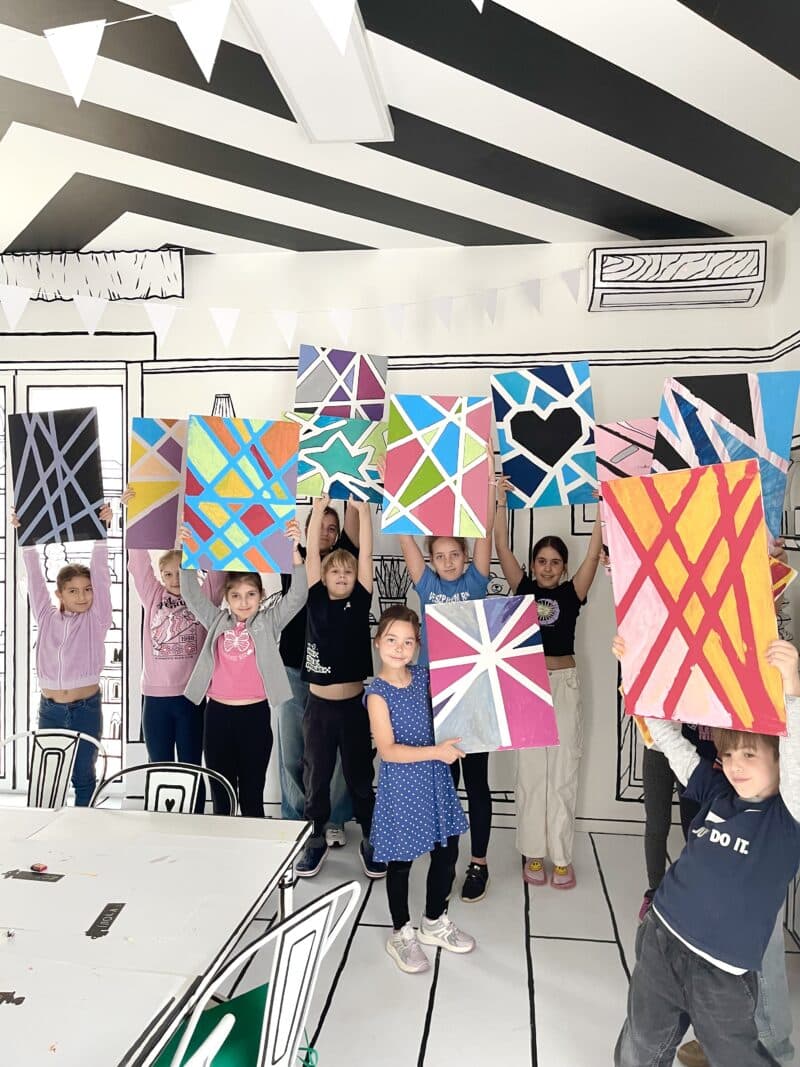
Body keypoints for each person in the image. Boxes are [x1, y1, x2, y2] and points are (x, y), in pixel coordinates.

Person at [612, 635, 800, 1067]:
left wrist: (791, 685)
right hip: (662, 939)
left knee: (736, 1056)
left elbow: (795, 752)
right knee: (639, 1048)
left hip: (722, 972)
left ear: (780, 759)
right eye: (729, 754)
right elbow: (666, 738)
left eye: (749, 754)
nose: (735, 765)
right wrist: (635, 669)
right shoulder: (717, 791)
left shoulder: (786, 819)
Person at [494, 475, 602, 889]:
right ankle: (533, 853)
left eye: (555, 562)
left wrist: (603, 509)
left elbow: (593, 556)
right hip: (528, 687)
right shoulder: (522, 588)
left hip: (564, 685)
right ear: (533, 565)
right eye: (542, 561)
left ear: (563, 568)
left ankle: (561, 856)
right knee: (531, 773)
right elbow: (501, 546)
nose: (548, 567)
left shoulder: (573, 593)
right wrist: (500, 500)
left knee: (563, 772)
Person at [398, 454, 494, 903]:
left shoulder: (475, 582)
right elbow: (405, 537)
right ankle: (445, 855)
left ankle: (479, 863)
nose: (449, 561)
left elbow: (484, 532)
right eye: (440, 556)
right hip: (436, 697)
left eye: (455, 554)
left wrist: (487, 483)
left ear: (465, 557)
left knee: (477, 782)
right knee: (443, 781)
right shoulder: (428, 586)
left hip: (475, 696)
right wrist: (396, 492)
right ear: (432, 561)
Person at [366, 605, 475, 973]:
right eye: (392, 640)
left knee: (447, 851)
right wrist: (436, 753)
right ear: (378, 642)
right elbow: (388, 750)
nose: (399, 648)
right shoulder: (378, 694)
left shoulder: (424, 677)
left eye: (408, 642)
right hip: (403, 787)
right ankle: (401, 933)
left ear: (417, 646)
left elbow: (460, 689)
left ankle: (433, 921)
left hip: (435, 781)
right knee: (401, 863)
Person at [179, 521, 307, 816]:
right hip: (217, 717)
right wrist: (187, 552)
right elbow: (191, 594)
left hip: (254, 717)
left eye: (250, 594)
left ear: (261, 595)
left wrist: (295, 555)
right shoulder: (216, 621)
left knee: (252, 798)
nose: (243, 602)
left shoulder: (269, 622)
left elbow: (298, 596)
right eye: (236, 595)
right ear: (227, 598)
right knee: (222, 798)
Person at [295, 495, 384, 879]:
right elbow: (312, 560)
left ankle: (370, 837)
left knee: (360, 776)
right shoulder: (314, 596)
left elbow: (366, 557)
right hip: (319, 708)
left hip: (353, 708)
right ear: (324, 576)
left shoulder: (360, 601)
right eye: (335, 571)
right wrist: (318, 511)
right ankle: (314, 838)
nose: (343, 576)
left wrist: (362, 512)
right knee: (316, 776)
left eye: (348, 571)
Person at [122, 488, 225, 793]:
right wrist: (133, 515)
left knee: (192, 767)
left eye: (181, 572)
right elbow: (138, 563)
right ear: (161, 576)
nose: (175, 578)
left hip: (192, 696)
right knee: (160, 768)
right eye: (167, 574)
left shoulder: (204, 597)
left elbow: (218, 571)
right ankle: (160, 818)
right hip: (155, 698)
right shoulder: (153, 596)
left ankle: (193, 817)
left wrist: (203, 528)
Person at [14, 502, 113, 806]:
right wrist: (25, 538)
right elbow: (34, 579)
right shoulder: (46, 617)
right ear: (59, 594)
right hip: (51, 710)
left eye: (87, 590)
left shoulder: (96, 619)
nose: (82, 596)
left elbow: (102, 576)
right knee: (49, 777)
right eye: (73, 591)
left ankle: (84, 825)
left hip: (85, 709)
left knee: (83, 775)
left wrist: (102, 535)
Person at [275, 503, 356, 843]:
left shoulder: (343, 563)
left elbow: (355, 520)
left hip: (332, 675)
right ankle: (296, 818)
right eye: (320, 525)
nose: (326, 532)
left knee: (334, 752)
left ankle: (334, 818)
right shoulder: (293, 555)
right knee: (292, 747)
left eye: (332, 528)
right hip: (293, 666)